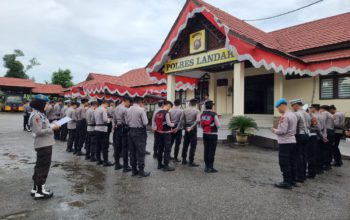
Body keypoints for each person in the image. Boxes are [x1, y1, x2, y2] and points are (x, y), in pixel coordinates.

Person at [29, 94, 59, 200]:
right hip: (43, 144)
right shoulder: (36, 115)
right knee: (43, 167)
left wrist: (52, 124)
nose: (47, 105)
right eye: (46, 103)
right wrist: (52, 128)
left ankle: (36, 188)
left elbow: (44, 126)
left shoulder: (40, 114)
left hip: (45, 143)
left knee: (39, 166)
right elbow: (38, 131)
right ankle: (40, 191)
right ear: (40, 104)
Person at [272, 98, 297, 189]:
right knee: (292, 161)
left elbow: (282, 130)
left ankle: (286, 181)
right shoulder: (293, 114)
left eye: (278, 108)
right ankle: (293, 180)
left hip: (285, 142)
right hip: (292, 141)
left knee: (284, 162)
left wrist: (275, 130)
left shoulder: (285, 116)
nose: (278, 110)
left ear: (282, 105)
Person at [126, 97, 150, 177]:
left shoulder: (128, 110)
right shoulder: (141, 110)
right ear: (140, 102)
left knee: (132, 152)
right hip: (139, 132)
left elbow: (126, 122)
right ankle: (141, 171)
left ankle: (133, 170)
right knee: (140, 152)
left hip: (130, 131)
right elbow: (146, 122)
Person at [290, 98, 310, 183]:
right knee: (304, 155)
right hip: (307, 134)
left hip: (299, 135)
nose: (292, 108)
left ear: (296, 105)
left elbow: (293, 126)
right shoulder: (307, 113)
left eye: (292, 106)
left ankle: (300, 176)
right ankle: (304, 175)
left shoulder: (297, 114)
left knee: (298, 156)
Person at [155, 100, 175, 171]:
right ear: (168, 105)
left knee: (160, 149)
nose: (170, 108)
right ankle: (166, 166)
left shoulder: (157, 113)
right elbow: (169, 124)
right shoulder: (167, 113)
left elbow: (155, 121)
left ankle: (159, 164)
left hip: (159, 133)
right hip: (166, 133)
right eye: (170, 106)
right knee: (167, 150)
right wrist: (174, 124)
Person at [113, 97, 132, 172]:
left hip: (117, 127)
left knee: (117, 146)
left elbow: (114, 119)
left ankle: (117, 164)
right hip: (124, 128)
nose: (129, 104)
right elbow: (127, 121)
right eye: (129, 102)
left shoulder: (116, 108)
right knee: (125, 147)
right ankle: (125, 166)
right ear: (126, 101)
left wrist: (115, 126)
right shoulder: (125, 109)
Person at [200, 101, 220, 173]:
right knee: (211, 150)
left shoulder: (202, 114)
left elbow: (201, 125)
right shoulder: (214, 114)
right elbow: (218, 125)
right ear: (212, 106)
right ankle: (210, 167)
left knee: (206, 149)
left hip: (205, 133)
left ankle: (206, 166)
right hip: (213, 133)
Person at [94, 100, 114, 167]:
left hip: (96, 128)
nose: (107, 106)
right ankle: (105, 161)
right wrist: (110, 120)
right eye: (107, 105)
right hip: (102, 129)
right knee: (104, 146)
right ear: (105, 103)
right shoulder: (104, 110)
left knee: (98, 145)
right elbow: (105, 120)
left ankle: (98, 160)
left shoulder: (96, 109)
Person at [181, 98, 200, 167]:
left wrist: (183, 126)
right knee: (193, 145)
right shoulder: (197, 110)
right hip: (193, 128)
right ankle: (191, 161)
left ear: (190, 103)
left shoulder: (185, 110)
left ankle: (183, 160)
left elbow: (181, 120)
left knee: (185, 144)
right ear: (195, 103)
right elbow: (197, 120)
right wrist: (191, 127)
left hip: (186, 127)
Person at [319, 105, 334, 171]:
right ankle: (328, 164)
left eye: (320, 109)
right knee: (328, 148)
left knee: (324, 149)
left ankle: (325, 164)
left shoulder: (324, 113)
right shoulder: (330, 114)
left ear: (323, 109)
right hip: (331, 131)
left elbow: (322, 122)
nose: (320, 111)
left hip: (326, 131)